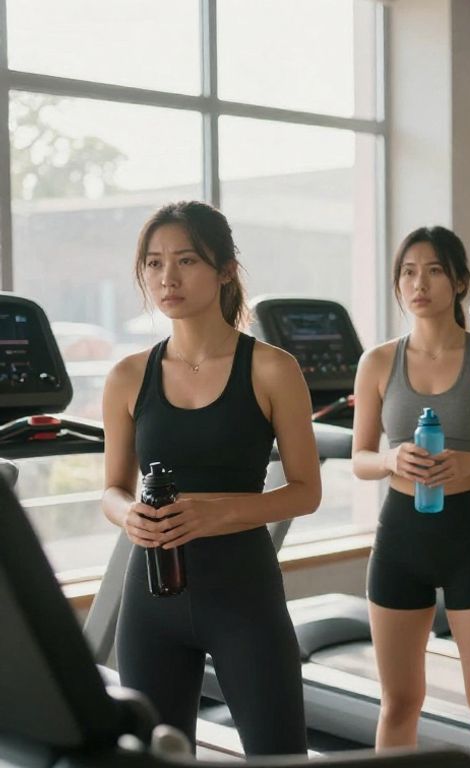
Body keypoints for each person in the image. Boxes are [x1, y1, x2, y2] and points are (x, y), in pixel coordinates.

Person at [101, 201, 321, 755]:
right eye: (153, 263)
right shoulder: (128, 375)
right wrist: (127, 513)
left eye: (186, 260)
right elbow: (111, 489)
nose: (166, 277)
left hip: (243, 597)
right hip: (151, 601)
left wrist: (216, 511)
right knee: (153, 760)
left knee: (280, 758)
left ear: (225, 269)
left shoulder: (272, 368)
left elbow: (306, 490)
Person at [350, 226, 470, 767]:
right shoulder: (378, 362)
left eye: (431, 270)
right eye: (407, 271)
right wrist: (390, 459)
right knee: (399, 702)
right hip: (401, 534)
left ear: (459, 281)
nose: (417, 282)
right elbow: (359, 458)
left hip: (469, 533)